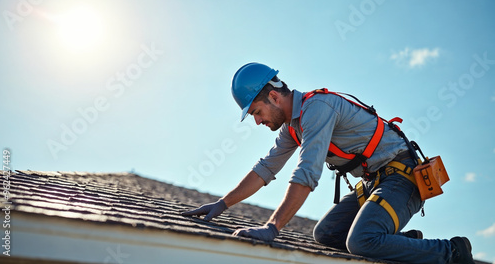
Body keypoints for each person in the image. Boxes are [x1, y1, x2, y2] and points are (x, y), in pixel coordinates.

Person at [182, 62, 474, 264]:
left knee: (361, 242)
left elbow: (307, 172)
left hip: (402, 176)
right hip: (377, 182)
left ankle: (451, 252)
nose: (257, 121)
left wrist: (273, 227)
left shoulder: (317, 109)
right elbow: (266, 168)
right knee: (326, 233)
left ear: (273, 96)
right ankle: (405, 245)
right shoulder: (291, 128)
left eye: (257, 112)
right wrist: (223, 204)